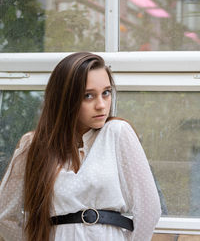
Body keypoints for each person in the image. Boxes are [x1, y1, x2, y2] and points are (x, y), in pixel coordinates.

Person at [0, 52, 161, 241]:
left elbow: (149, 208)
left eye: (106, 92)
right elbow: (5, 216)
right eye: (88, 96)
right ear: (65, 99)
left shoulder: (117, 133)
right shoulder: (34, 145)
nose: (101, 105)